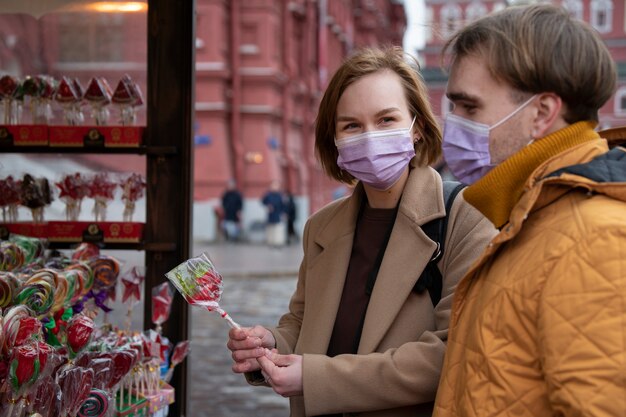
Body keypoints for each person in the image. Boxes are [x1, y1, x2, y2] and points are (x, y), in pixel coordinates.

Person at [227, 46, 495, 417]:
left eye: (386, 120)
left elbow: (455, 351)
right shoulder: (321, 226)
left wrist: (317, 379)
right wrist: (271, 342)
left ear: (416, 128)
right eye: (351, 125)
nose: (369, 137)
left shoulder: (465, 215)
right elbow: (303, 321)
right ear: (334, 140)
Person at [433, 5, 626, 416]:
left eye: (469, 108)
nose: (454, 124)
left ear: (541, 114)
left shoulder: (594, 237)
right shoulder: (530, 215)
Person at [261, 181, 285, 247]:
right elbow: (263, 201)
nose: (274, 187)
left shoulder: (280, 195)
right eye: (273, 186)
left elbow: (283, 205)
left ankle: (278, 242)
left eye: (276, 186)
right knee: (270, 228)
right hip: (270, 214)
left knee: (277, 228)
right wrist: (268, 206)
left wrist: (283, 213)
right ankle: (270, 242)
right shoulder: (268, 195)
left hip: (277, 214)